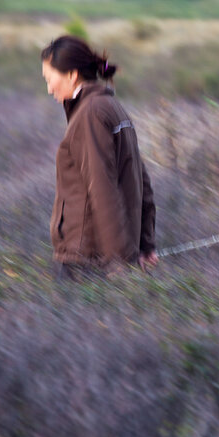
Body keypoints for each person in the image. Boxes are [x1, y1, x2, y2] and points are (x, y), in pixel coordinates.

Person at [40, 35, 158, 277]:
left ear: (72, 75)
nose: (49, 88)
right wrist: (145, 245)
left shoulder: (90, 114)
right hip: (104, 256)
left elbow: (102, 189)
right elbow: (140, 181)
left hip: (87, 261)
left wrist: (119, 263)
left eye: (50, 79)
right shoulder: (112, 107)